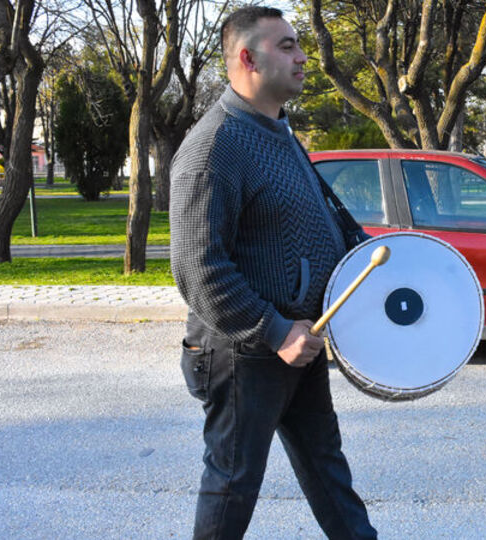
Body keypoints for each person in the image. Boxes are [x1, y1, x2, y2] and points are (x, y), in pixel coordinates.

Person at [169, 6, 376, 539]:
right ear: (247, 58)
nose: (302, 56)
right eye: (286, 46)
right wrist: (274, 329)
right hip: (246, 352)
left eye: (298, 44)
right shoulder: (214, 146)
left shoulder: (278, 132)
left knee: (329, 474)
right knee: (232, 486)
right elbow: (197, 267)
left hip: (300, 341)